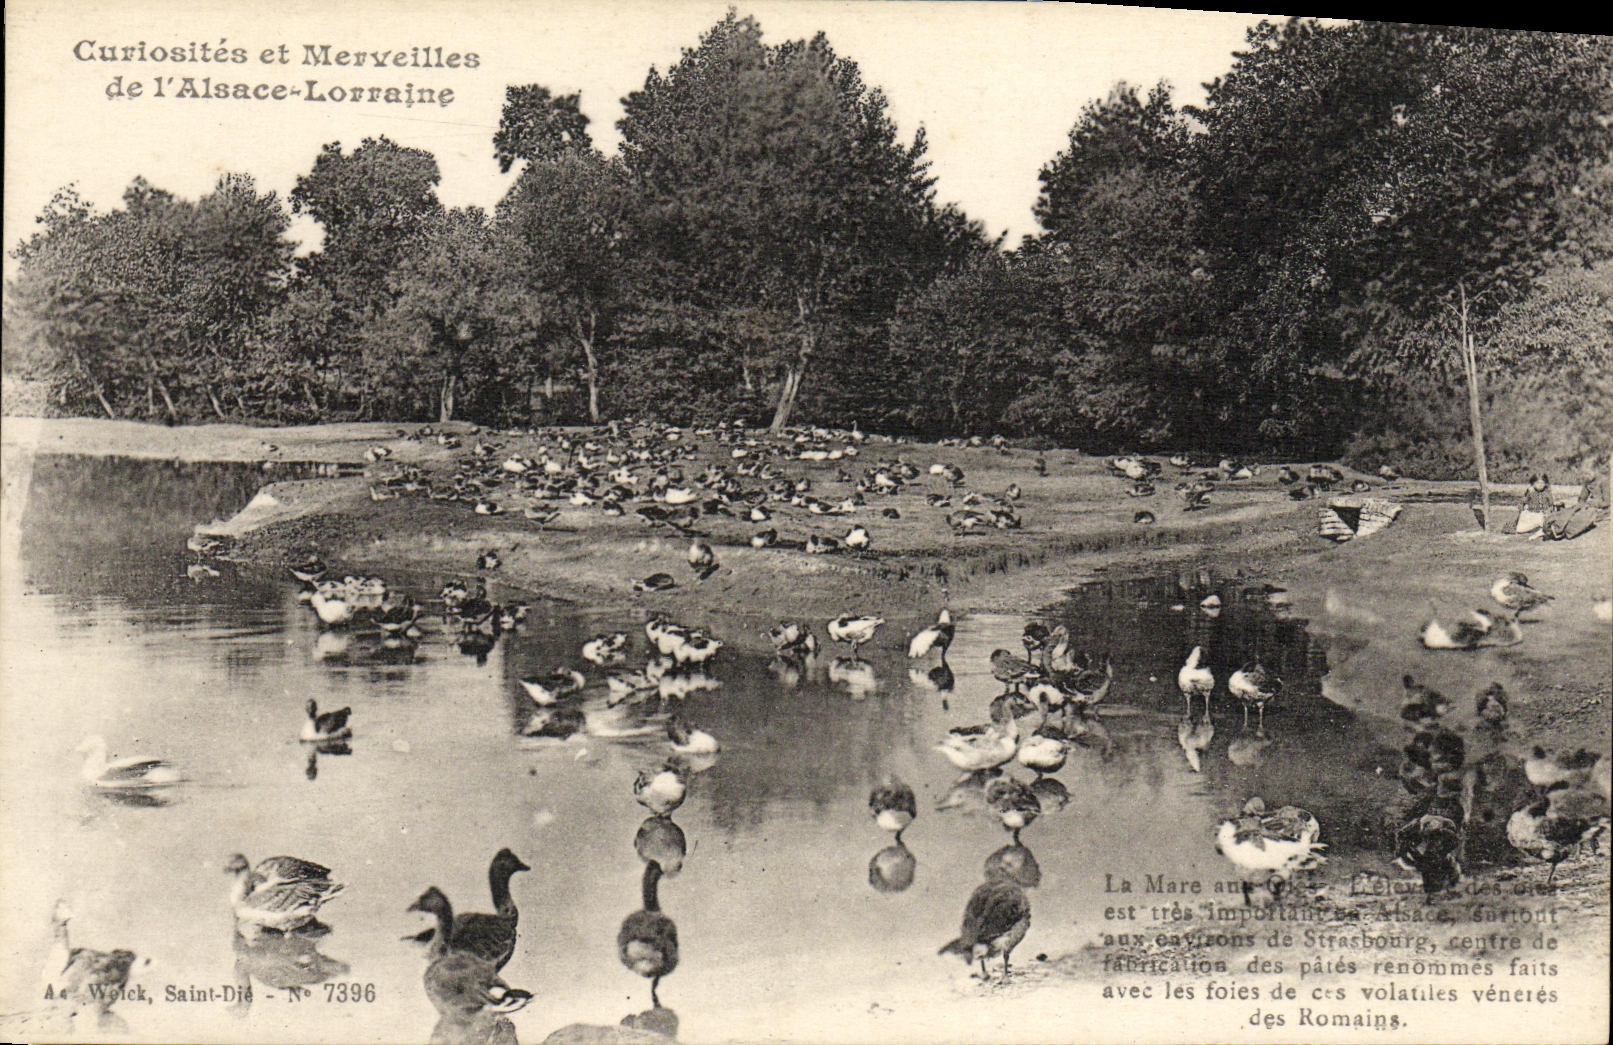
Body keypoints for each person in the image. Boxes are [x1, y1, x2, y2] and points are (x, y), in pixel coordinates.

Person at [1543, 459, 1610, 541]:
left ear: (1595, 470)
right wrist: (1580, 504)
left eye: (1587, 473)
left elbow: (1607, 502)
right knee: (1570, 511)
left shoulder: (1604, 481)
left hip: (1601, 508)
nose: (1585, 476)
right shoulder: (1588, 481)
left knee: (1584, 515)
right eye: (1584, 474)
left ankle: (1566, 531)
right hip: (1589, 505)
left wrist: (1593, 503)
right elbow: (1582, 499)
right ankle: (1556, 526)